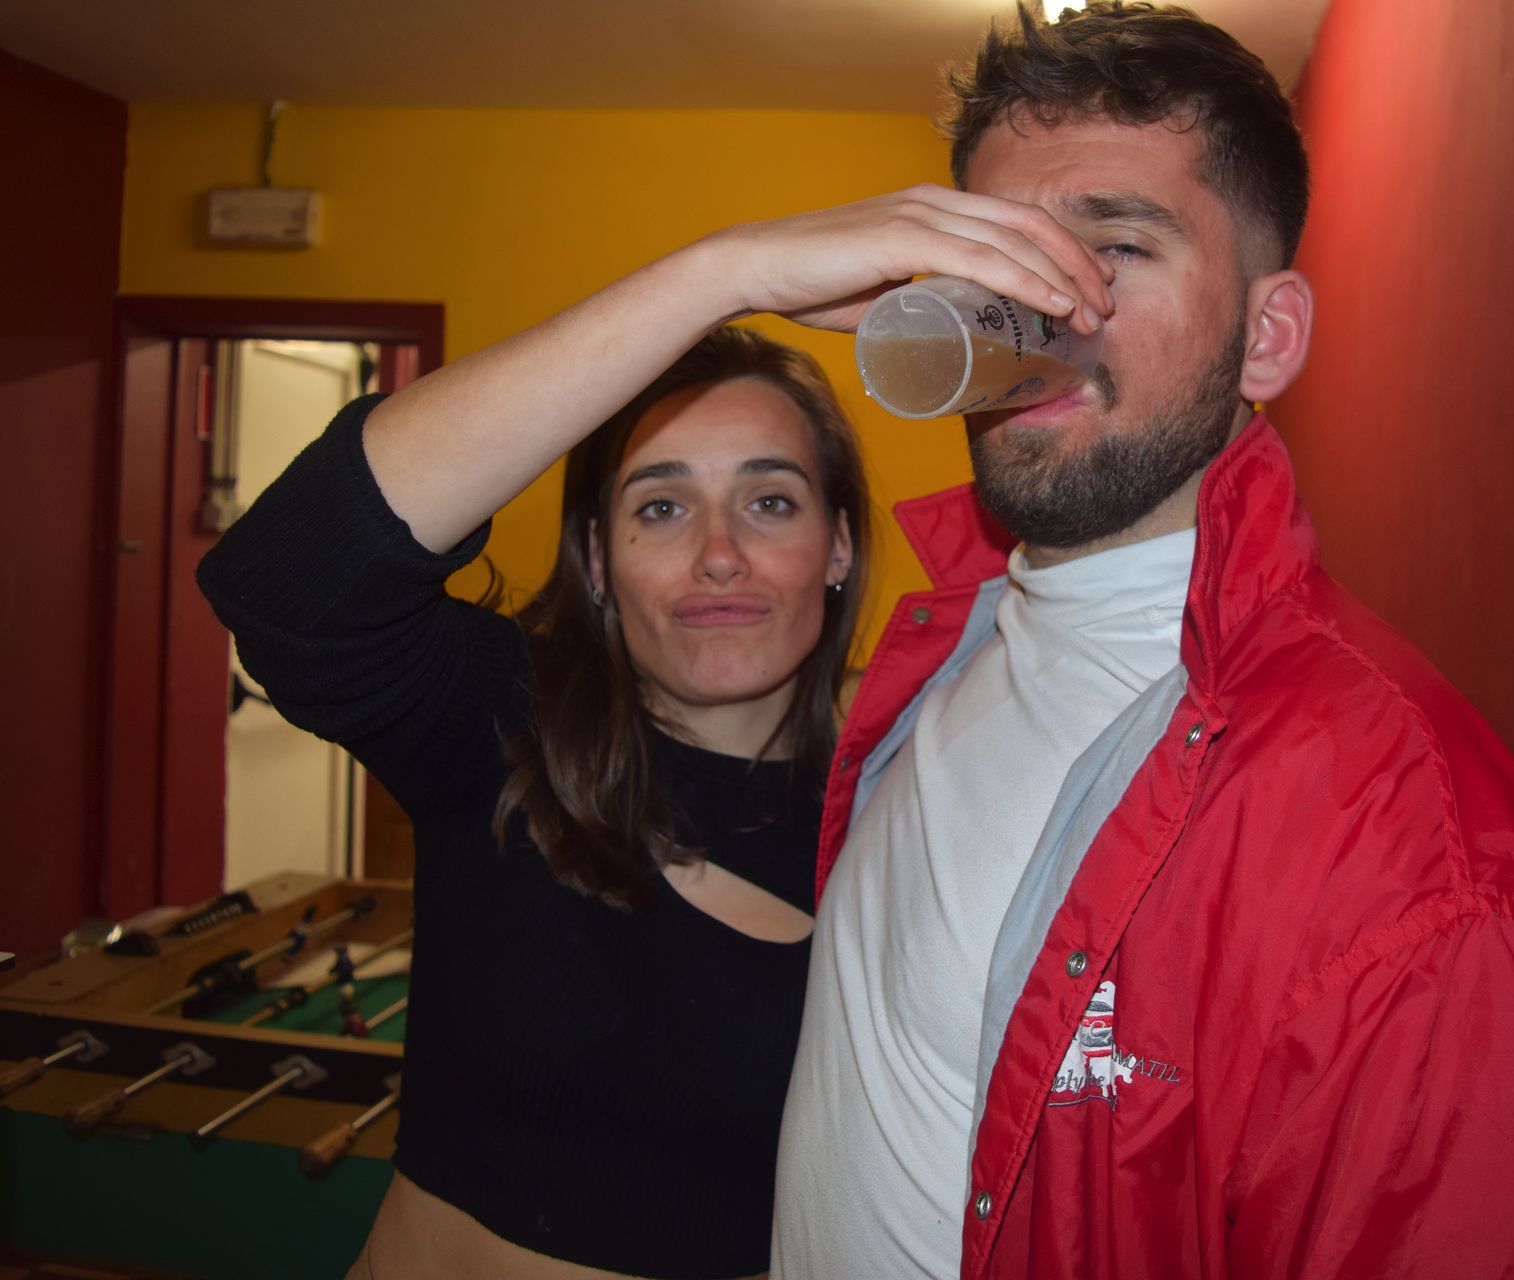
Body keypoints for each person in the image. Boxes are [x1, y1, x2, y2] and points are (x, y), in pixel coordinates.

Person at [769, 4, 1514, 1278]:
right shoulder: (943, 636)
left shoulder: (1411, 853)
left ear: (1267, 337)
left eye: (1114, 247)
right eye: (1000, 257)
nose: (1037, 309)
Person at [198, 166, 1116, 1274]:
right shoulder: (498, 728)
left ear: (837, 545)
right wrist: (727, 273)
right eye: (663, 505)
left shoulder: (907, 799)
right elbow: (286, 584)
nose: (718, 554)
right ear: (598, 557)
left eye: (769, 501)